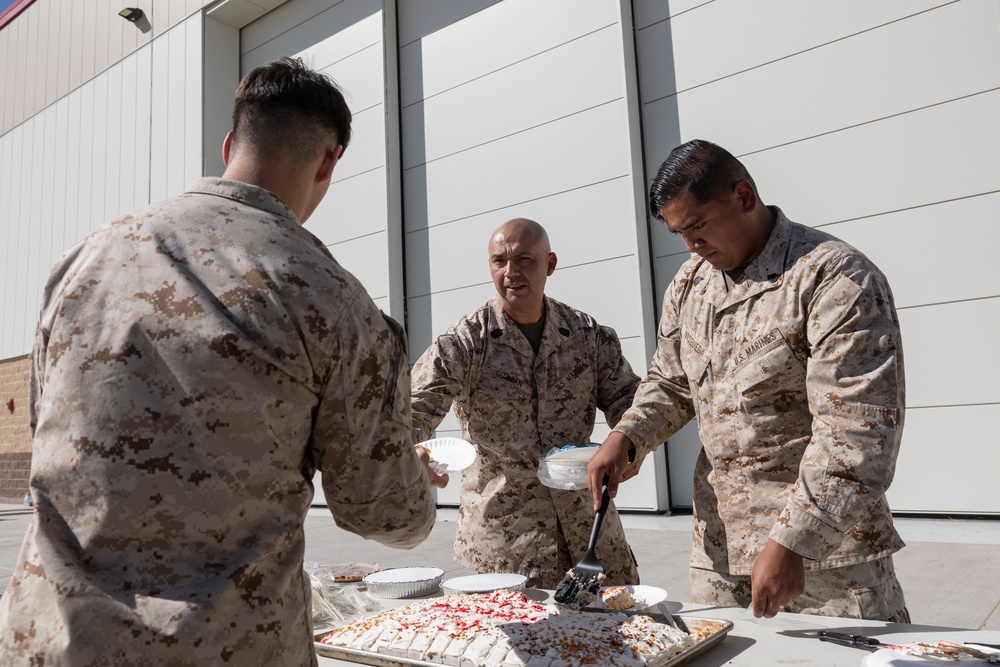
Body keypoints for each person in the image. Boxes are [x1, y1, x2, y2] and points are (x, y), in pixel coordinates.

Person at [0, 57, 438, 665]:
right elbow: (386, 510)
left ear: (231, 142)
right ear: (329, 160)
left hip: (52, 643)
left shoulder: (84, 261)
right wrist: (417, 477)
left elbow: (52, 440)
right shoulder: (332, 299)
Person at [587, 139, 909, 622]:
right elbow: (671, 382)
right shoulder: (691, 283)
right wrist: (627, 436)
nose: (691, 246)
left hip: (826, 562)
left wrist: (793, 540)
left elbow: (857, 431)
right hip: (719, 551)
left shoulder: (833, 280)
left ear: (743, 195)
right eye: (679, 233)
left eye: (698, 226)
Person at [410, 218, 641, 590]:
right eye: (499, 261)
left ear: (550, 264)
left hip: (592, 536)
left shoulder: (586, 335)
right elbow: (412, 410)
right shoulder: (465, 343)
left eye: (524, 260)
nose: (511, 272)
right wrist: (408, 452)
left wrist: (629, 446)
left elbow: (632, 403)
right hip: (506, 546)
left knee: (620, 637)